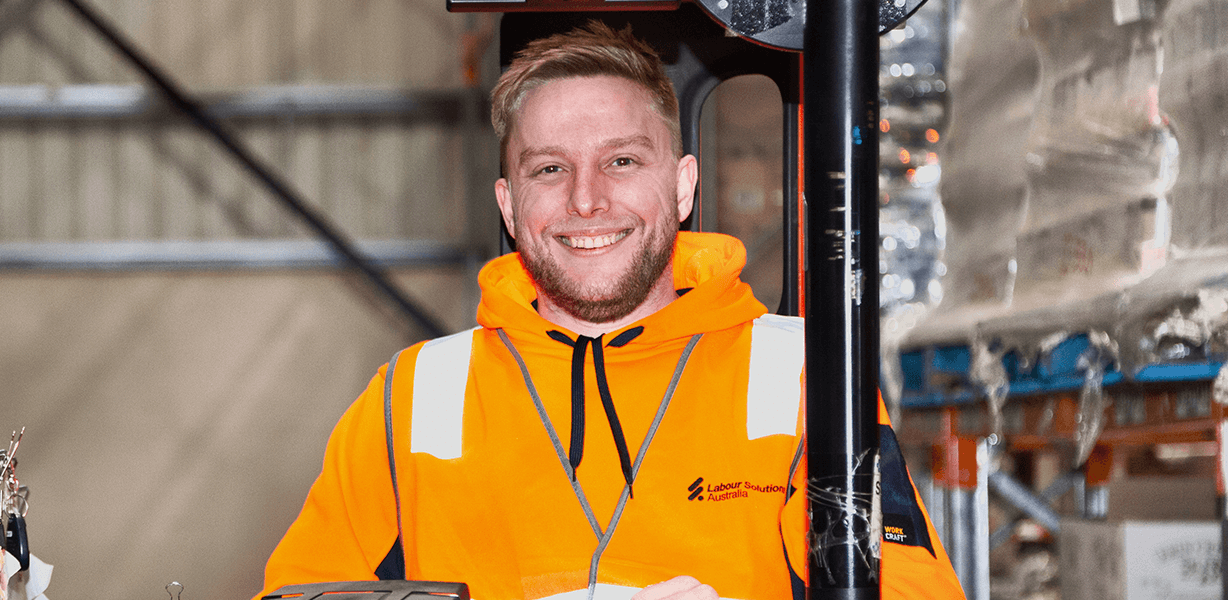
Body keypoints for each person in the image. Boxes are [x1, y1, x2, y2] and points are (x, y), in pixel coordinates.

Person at [259, 22, 964, 600]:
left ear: (682, 186)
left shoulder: (803, 375)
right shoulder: (412, 400)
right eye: (548, 168)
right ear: (509, 205)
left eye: (622, 161)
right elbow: (301, 592)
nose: (587, 200)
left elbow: (910, 589)